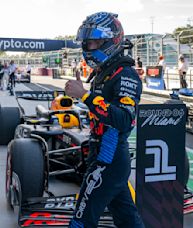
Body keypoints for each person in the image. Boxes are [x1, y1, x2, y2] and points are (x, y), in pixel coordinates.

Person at [64, 12, 144, 227]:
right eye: (88, 42)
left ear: (111, 41)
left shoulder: (125, 74)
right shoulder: (104, 72)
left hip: (109, 157)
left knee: (81, 220)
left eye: (96, 41)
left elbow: (125, 120)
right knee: (127, 219)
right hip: (102, 153)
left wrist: (84, 95)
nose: (90, 47)